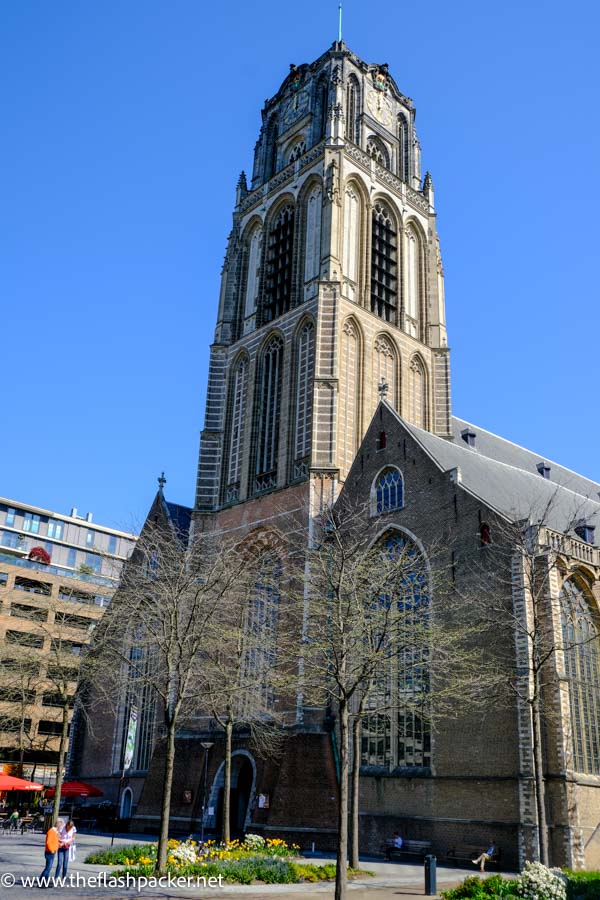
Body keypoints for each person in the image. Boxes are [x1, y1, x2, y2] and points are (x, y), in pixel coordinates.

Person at [40, 819, 63, 883]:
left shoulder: (54, 832)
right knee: (48, 868)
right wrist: (52, 850)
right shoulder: (51, 831)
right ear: (58, 825)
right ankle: (42, 882)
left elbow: (54, 841)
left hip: (51, 851)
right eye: (60, 826)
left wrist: (59, 844)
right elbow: (48, 842)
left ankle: (44, 882)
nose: (60, 828)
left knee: (48, 868)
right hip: (50, 852)